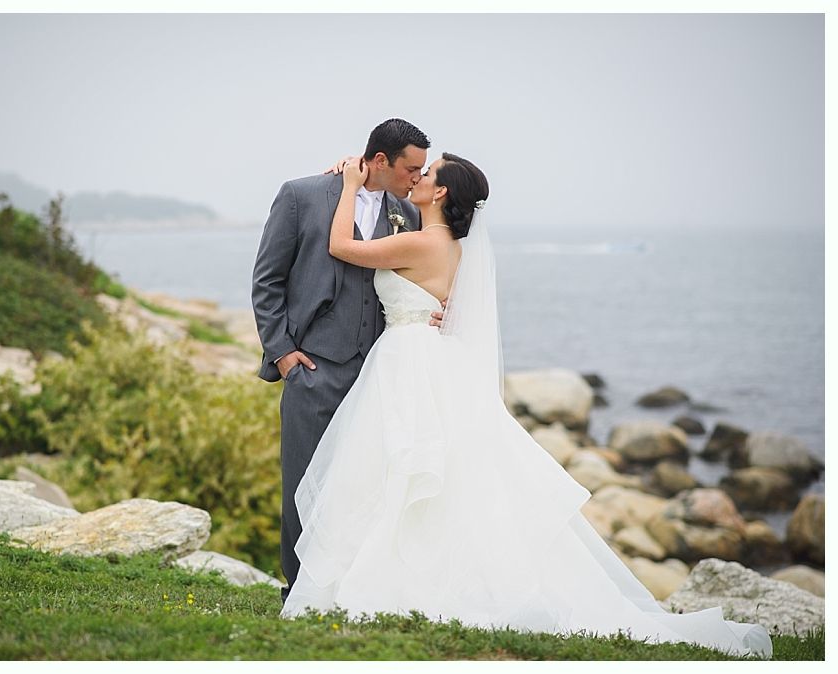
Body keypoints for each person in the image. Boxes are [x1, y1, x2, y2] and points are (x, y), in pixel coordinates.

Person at [277, 152, 773, 659]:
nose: (418, 179)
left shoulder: (423, 240)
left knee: (398, 473)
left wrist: (349, 185)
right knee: (414, 476)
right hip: (419, 360)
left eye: (427, 174)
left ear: (442, 192)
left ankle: (388, 579)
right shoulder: (451, 247)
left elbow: (341, 246)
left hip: (407, 365)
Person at [251, 118, 436, 600]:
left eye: (421, 171)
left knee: (363, 485)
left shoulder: (408, 212)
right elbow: (267, 280)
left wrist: (433, 314)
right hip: (314, 366)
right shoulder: (302, 195)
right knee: (303, 482)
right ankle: (299, 590)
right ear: (379, 161)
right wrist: (284, 354)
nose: (416, 178)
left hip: (378, 371)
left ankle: (347, 586)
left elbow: (420, 274)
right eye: (410, 169)